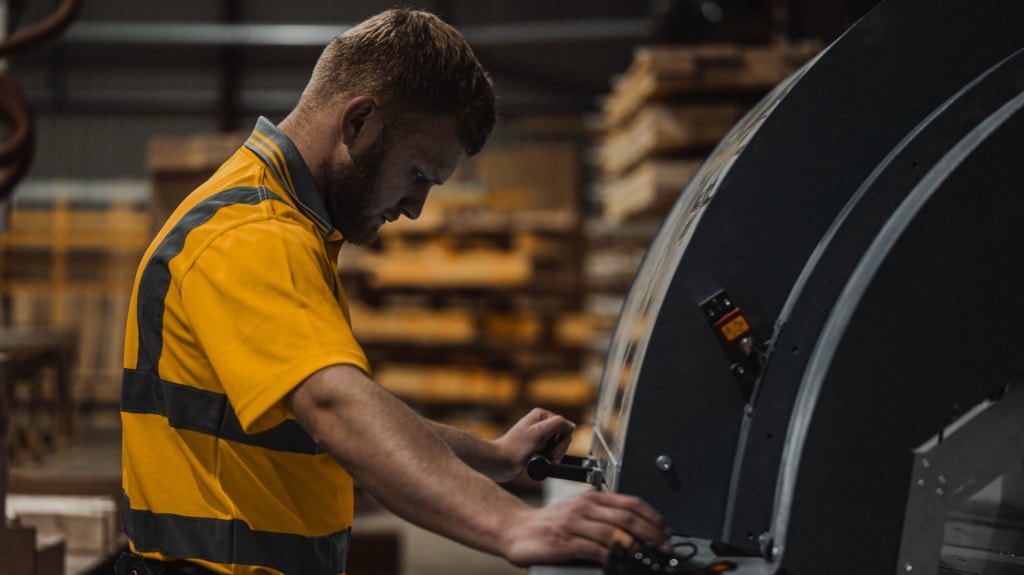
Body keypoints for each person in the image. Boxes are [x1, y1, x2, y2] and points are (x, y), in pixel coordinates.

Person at [117, 8, 669, 575]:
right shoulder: (251, 234)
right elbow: (334, 405)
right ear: (358, 121)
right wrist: (514, 524)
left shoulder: (286, 226)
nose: (415, 208)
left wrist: (493, 456)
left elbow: (336, 414)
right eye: (418, 175)